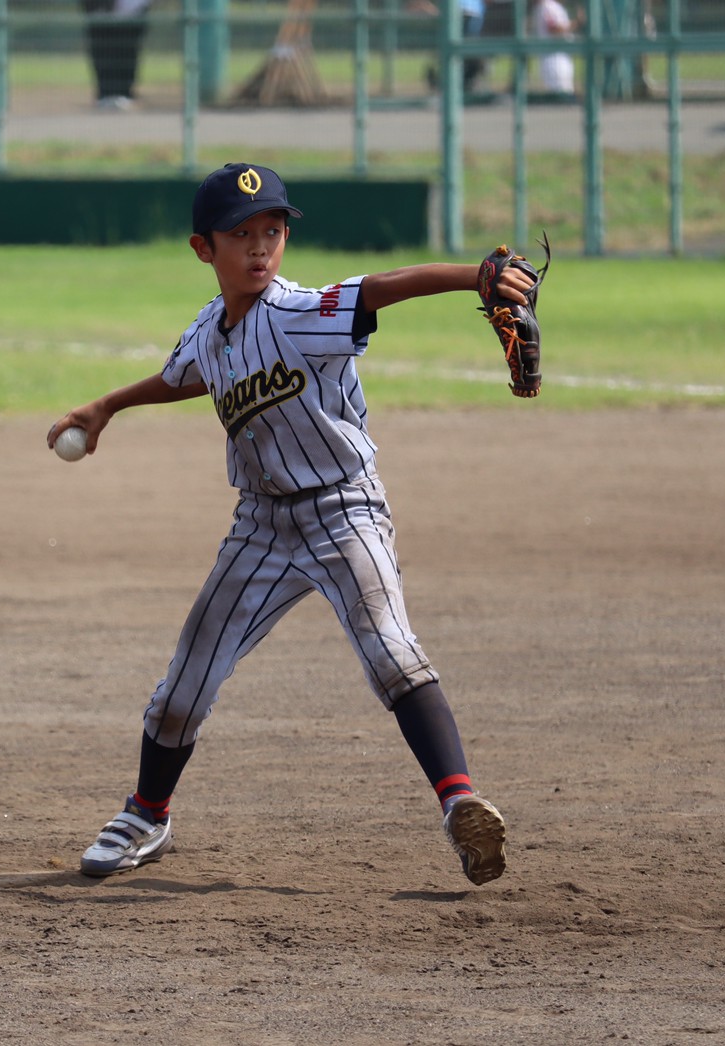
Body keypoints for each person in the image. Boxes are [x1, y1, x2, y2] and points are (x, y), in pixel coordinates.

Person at [46, 163, 532, 887]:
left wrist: (474, 277)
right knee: (183, 686)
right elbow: (185, 375)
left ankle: (461, 804)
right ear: (202, 249)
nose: (261, 246)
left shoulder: (298, 310)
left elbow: (378, 288)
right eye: (241, 234)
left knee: (393, 655)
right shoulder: (211, 331)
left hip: (345, 509)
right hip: (261, 528)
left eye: (272, 230)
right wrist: (108, 405)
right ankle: (148, 814)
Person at [81, 0, 151, 110]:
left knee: (127, 52)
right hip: (100, 12)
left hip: (131, 14)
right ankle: (105, 94)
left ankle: (124, 93)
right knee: (103, 52)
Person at [531, 0, 578, 96]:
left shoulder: (553, 6)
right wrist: (576, 22)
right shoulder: (548, 5)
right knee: (561, 96)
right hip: (554, 59)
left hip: (560, 56)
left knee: (564, 93)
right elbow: (554, 29)